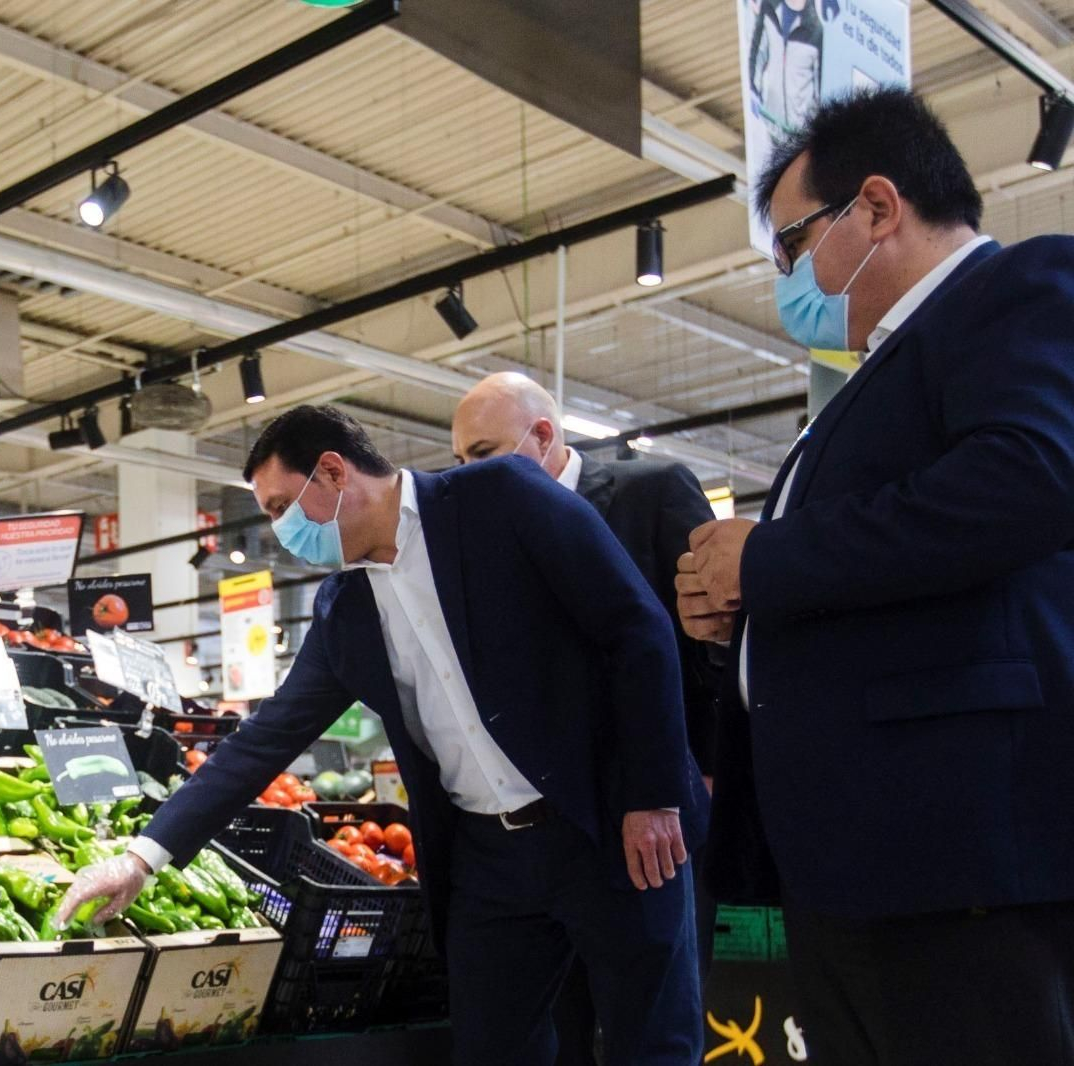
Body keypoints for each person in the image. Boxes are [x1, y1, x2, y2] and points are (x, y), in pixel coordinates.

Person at [60, 404, 710, 1066]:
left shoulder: (500, 496)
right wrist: (142, 857)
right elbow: (265, 738)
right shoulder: (344, 610)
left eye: (282, 505)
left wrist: (652, 795)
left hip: (608, 822)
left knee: (652, 1043)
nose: (279, 529)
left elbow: (636, 628)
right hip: (489, 859)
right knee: (492, 1049)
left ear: (333, 471)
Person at [676, 87, 1074, 1065]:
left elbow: (1025, 480)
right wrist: (749, 614)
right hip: (857, 866)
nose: (787, 279)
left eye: (791, 244)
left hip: (957, 856)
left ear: (879, 207)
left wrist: (766, 559)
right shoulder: (873, 382)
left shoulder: (1015, 291)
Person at [452, 373, 724, 1066]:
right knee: (566, 1025)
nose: (468, 476)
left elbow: (709, 640)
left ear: (543, 435)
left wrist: (699, 770)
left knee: (655, 1025)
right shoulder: (493, 534)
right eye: (459, 462)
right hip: (557, 827)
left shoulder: (651, 492)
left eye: (482, 454)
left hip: (653, 809)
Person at [748, 0, 822, 134]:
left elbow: (819, 92)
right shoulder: (769, 9)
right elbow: (757, 54)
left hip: (800, 134)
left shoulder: (816, 30)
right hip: (769, 123)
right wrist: (754, 92)